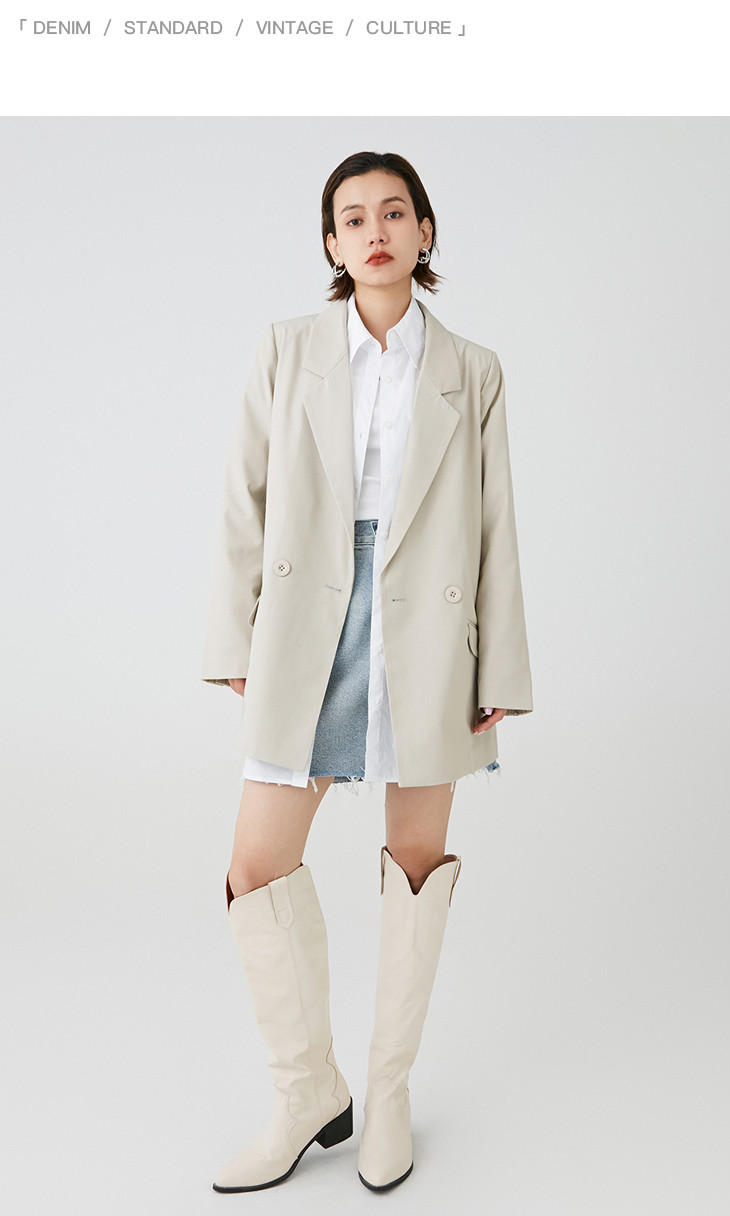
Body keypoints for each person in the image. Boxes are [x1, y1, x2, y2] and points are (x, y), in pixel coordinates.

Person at [200, 150, 533, 1193]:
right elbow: (245, 497)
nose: (375, 230)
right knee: (256, 866)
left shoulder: (473, 368)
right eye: (353, 217)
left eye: (395, 212)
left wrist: (500, 661)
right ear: (332, 244)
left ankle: (386, 1094)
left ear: (425, 231)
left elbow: (495, 522)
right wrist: (235, 639)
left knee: (415, 862)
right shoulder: (288, 348)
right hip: (310, 614)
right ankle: (308, 1092)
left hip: (430, 621)